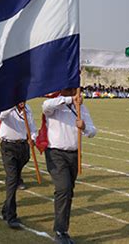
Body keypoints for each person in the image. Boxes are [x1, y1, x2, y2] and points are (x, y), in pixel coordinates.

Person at [42, 88, 97, 244]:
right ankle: (60, 231)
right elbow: (45, 106)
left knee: (68, 192)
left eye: (74, 90)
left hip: (74, 154)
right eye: (70, 90)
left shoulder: (82, 108)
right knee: (63, 189)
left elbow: (92, 131)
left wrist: (84, 126)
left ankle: (63, 230)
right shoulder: (54, 105)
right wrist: (69, 100)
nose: (74, 92)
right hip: (55, 154)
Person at [0, 102, 37, 229]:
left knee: (13, 180)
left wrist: (33, 138)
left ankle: (6, 208)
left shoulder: (27, 109)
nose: (22, 102)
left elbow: (32, 129)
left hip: (22, 147)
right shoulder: (7, 108)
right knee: (12, 178)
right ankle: (11, 215)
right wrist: (10, 106)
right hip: (8, 146)